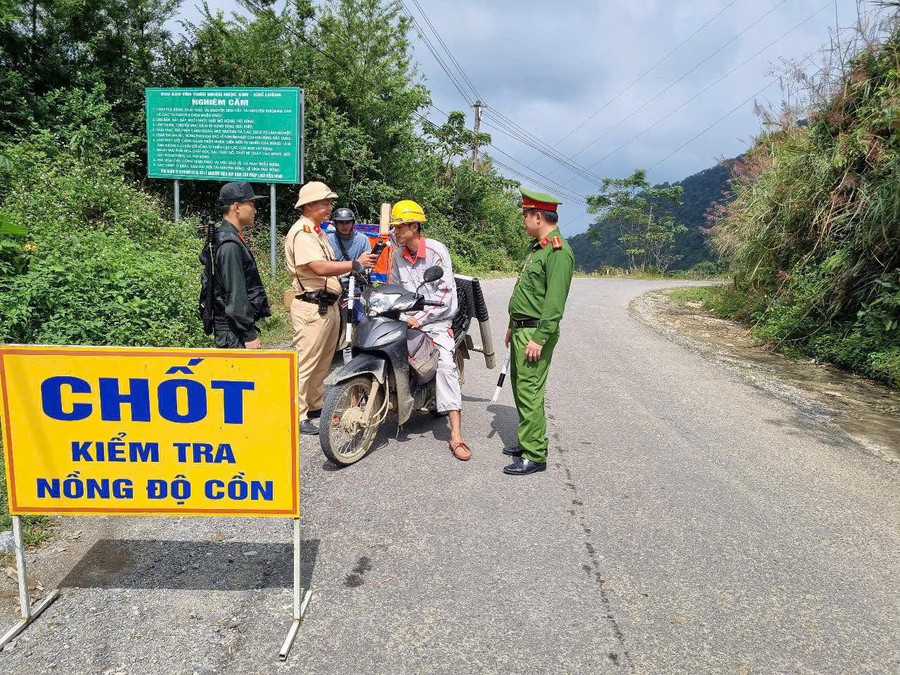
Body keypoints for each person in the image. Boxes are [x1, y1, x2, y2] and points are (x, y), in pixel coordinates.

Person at [285, 181, 376, 435]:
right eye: (325, 203)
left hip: (327, 305)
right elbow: (319, 267)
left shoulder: (316, 231)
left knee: (323, 361)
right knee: (305, 362)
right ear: (310, 205)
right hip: (312, 306)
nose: (329, 208)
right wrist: (354, 263)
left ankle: (314, 405)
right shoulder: (303, 233)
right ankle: (296, 413)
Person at [389, 199, 472, 461]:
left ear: (414, 226)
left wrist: (421, 319)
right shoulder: (396, 255)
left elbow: (447, 296)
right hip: (407, 318)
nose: (395, 232)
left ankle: (456, 434)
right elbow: (394, 288)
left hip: (436, 321)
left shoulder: (437, 251)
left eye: (399, 227)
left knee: (446, 365)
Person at [503, 187, 574, 476]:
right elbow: (527, 292)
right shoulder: (538, 248)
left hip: (535, 334)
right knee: (521, 389)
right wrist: (512, 325)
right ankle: (527, 440)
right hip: (522, 329)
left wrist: (539, 338)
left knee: (530, 391)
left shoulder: (558, 252)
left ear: (537, 216)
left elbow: (554, 303)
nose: (523, 222)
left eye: (525, 215)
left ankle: (535, 454)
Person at [203, 181, 271, 349]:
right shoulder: (229, 244)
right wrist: (249, 335)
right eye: (251, 204)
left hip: (234, 329)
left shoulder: (232, 237)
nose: (255, 210)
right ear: (236, 207)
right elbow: (235, 293)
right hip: (233, 332)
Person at [328, 207, 370, 323]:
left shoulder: (362, 240)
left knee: (361, 318)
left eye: (348, 222)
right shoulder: (329, 240)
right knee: (331, 317)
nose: (345, 226)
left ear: (353, 223)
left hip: (356, 283)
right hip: (336, 283)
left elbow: (369, 264)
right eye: (341, 222)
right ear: (335, 224)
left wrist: (362, 272)